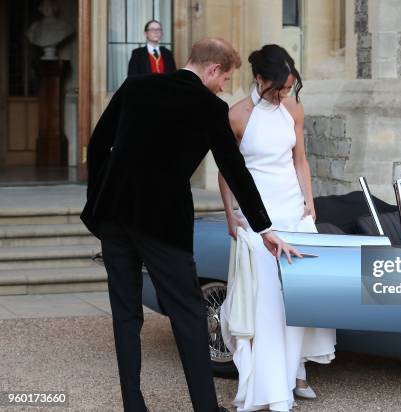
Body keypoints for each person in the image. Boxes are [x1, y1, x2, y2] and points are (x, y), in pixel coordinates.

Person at [81, 38, 300, 412]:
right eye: (226, 78)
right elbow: (234, 169)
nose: (225, 86)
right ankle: (205, 407)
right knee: (188, 313)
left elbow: (98, 145)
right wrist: (265, 228)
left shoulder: (135, 86)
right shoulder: (210, 107)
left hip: (115, 216)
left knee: (126, 312)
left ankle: (133, 405)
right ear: (213, 69)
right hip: (162, 222)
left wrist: (99, 200)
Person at [219, 44, 336, 412]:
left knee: (301, 296)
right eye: (280, 87)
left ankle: (296, 370)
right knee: (267, 302)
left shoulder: (293, 110)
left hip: (293, 212)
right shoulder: (236, 116)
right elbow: (227, 170)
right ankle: (270, 384)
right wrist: (229, 214)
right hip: (259, 217)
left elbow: (299, 159)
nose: (286, 93)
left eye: (289, 87)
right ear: (259, 79)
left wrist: (310, 201)